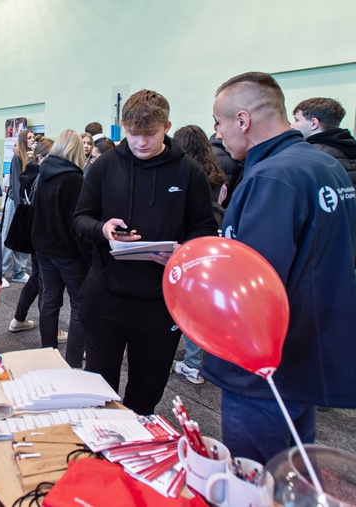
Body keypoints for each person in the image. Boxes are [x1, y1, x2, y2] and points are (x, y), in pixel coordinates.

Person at [204, 72, 356, 463]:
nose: (217, 133)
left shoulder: (273, 176)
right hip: (304, 348)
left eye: (219, 121)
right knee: (290, 467)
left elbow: (253, 280)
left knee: (258, 472)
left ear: (242, 120)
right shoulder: (323, 165)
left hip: (266, 362)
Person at [73, 89, 217, 415]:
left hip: (161, 301)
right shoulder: (105, 166)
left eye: (149, 134)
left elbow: (204, 228)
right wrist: (103, 229)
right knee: (99, 389)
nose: (140, 142)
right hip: (107, 297)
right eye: (133, 133)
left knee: (146, 391)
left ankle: (137, 447)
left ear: (167, 126)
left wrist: (184, 252)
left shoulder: (188, 172)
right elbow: (80, 219)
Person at [291, 97, 356, 268]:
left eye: (297, 120)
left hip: (324, 249)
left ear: (314, 123)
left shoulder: (307, 158)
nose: (292, 125)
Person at [170, 125, 228, 386]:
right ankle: (198, 359)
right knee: (199, 302)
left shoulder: (183, 172)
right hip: (211, 238)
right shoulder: (216, 171)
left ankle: (191, 361)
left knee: (183, 302)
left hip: (187, 241)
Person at [32, 130, 91, 368]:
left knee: (50, 301)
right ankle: (73, 364)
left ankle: (49, 355)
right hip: (68, 253)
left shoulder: (43, 173)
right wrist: (88, 254)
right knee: (79, 306)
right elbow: (76, 223)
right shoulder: (74, 179)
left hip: (44, 250)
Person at [9, 137, 51, 335]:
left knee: (37, 278)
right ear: (43, 157)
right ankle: (48, 329)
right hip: (42, 235)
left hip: (33, 234)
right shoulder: (42, 177)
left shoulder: (30, 173)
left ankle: (19, 318)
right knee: (44, 281)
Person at [1, 129, 35, 287]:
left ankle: (19, 272)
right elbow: (15, 183)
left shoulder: (32, 158)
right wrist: (18, 208)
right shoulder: (16, 157)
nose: (32, 140)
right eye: (28, 138)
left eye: (33, 137)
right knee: (8, 237)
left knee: (23, 239)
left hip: (26, 205)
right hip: (16, 204)